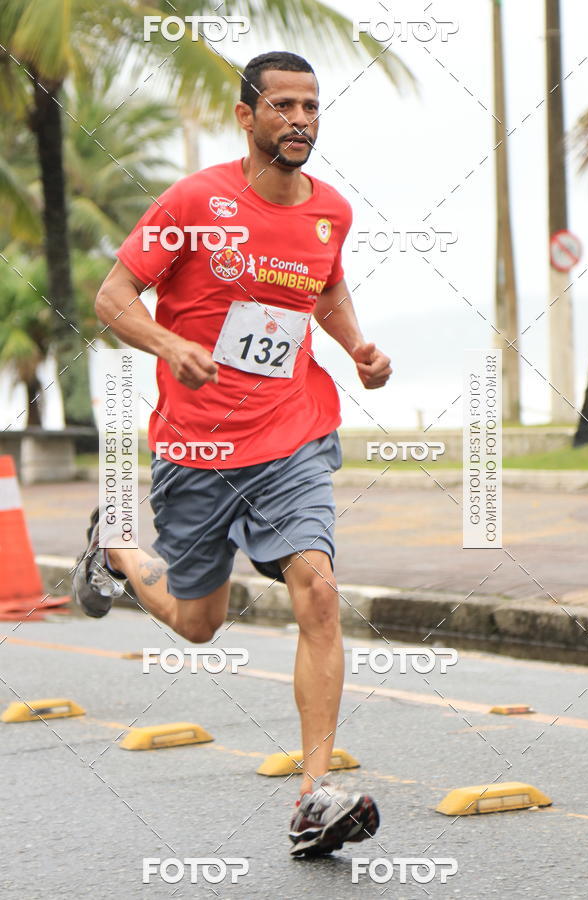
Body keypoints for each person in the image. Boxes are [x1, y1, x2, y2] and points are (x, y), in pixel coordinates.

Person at [73, 50, 391, 857]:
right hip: (198, 445)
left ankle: (315, 796)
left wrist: (357, 347)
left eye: (312, 107)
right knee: (199, 624)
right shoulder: (194, 201)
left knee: (317, 588)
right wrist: (167, 342)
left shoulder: (331, 212)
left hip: (292, 433)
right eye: (282, 106)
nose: (300, 121)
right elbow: (112, 297)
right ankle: (114, 545)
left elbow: (324, 289)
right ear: (246, 117)